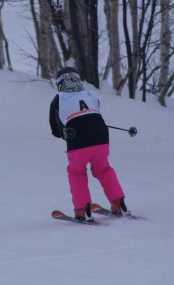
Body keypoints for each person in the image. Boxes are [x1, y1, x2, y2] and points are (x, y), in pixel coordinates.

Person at [49, 66, 128, 222]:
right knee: (104, 169)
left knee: (77, 172)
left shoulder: (58, 99)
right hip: (101, 138)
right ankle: (118, 202)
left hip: (78, 141)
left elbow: (56, 130)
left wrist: (64, 132)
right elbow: (93, 110)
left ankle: (81, 210)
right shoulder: (91, 93)